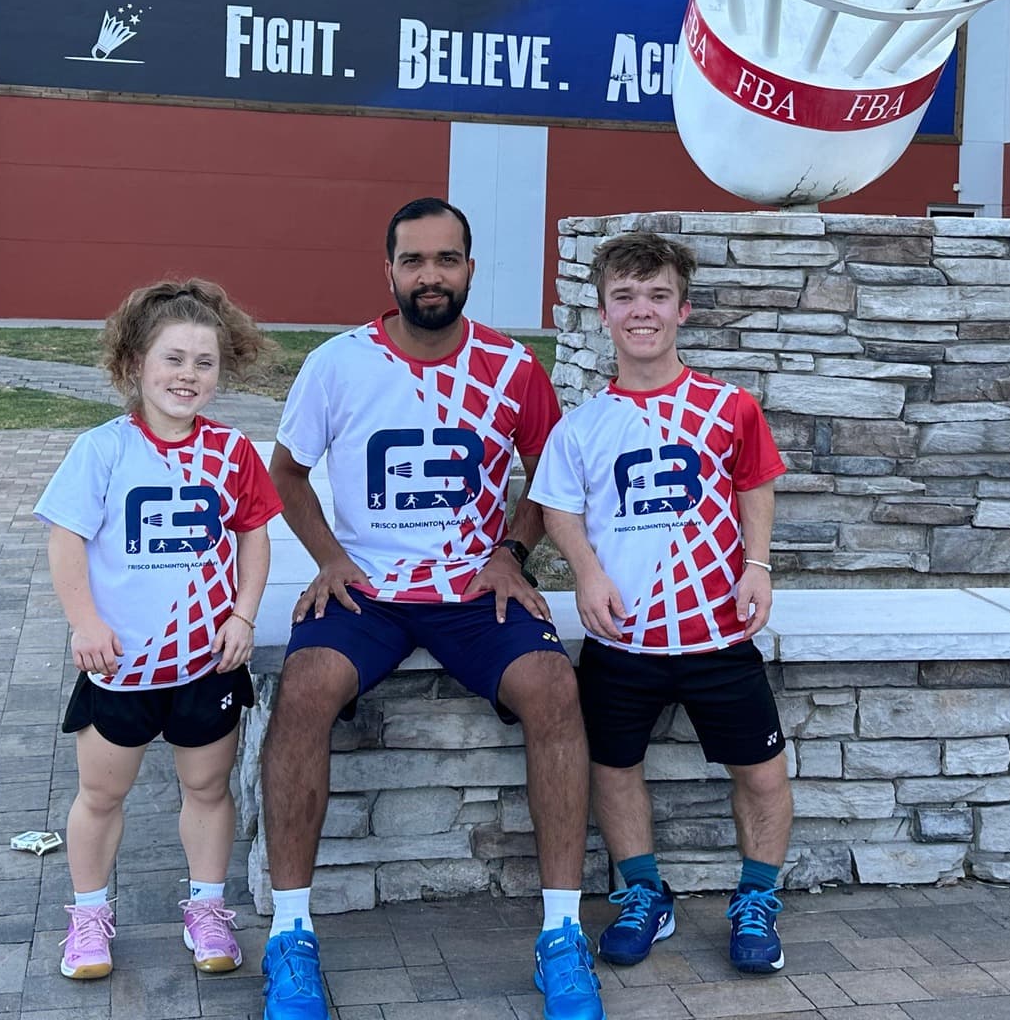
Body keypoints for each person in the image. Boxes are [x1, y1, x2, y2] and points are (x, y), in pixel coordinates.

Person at [259, 197, 604, 1020]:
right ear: (389, 272)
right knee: (303, 686)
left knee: (555, 689)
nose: (430, 276)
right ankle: (290, 937)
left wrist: (511, 552)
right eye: (413, 261)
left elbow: (550, 479)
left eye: (446, 260)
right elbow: (286, 471)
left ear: (470, 270)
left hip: (471, 591)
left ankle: (562, 935)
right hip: (369, 591)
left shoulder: (513, 366)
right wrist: (331, 558)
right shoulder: (340, 363)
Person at [530, 231, 793, 975]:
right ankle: (645, 894)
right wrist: (585, 573)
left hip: (718, 631)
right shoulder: (581, 426)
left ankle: (757, 900)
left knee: (763, 775)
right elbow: (560, 509)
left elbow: (755, 483)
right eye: (624, 297)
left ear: (683, 307)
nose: (640, 310)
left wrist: (758, 564)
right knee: (613, 769)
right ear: (603, 311)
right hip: (624, 641)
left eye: (655, 295)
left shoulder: (729, 407)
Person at [35, 279, 282, 982]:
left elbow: (254, 537)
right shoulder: (102, 450)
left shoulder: (234, 452)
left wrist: (242, 614)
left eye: (204, 363)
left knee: (207, 791)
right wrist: (85, 622)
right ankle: (88, 919)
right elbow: (65, 540)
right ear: (134, 364)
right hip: (123, 668)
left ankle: (206, 911)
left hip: (207, 666)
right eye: (173, 359)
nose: (188, 376)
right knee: (101, 795)